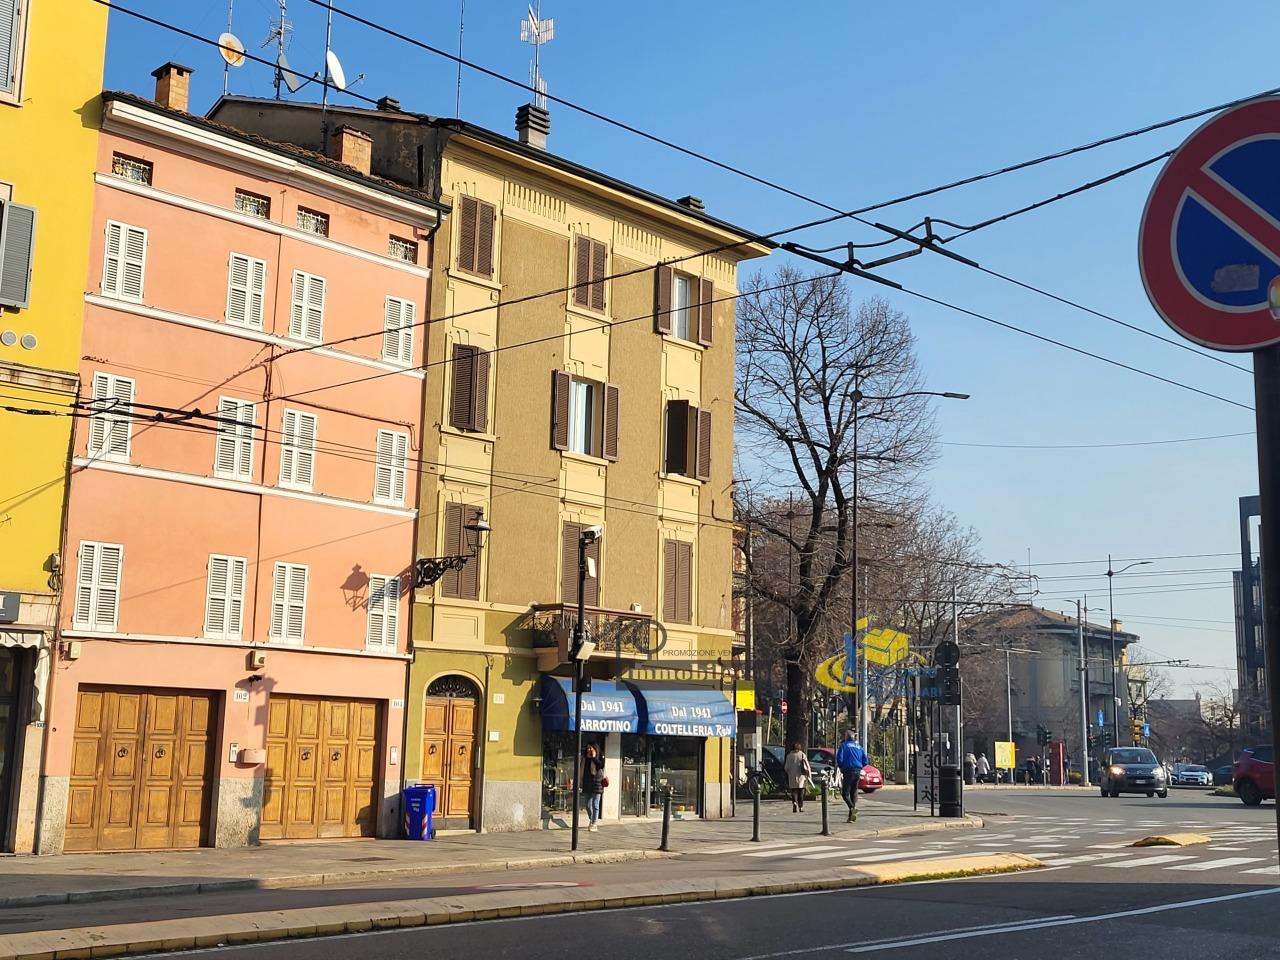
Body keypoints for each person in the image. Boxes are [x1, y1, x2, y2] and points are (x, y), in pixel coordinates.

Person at [835, 730, 868, 822]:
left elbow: (839, 758)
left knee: (845, 793)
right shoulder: (859, 747)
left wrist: (842, 767)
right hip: (858, 771)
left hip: (848, 770)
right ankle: (851, 817)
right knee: (853, 793)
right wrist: (859, 766)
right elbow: (865, 761)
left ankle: (852, 808)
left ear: (846, 737)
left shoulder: (844, 746)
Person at [580, 743, 605, 831]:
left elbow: (601, 766)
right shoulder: (585, 758)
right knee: (587, 804)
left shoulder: (599, 756)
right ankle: (592, 819)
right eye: (587, 748)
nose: (589, 750)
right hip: (587, 783)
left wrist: (594, 758)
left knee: (595, 804)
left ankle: (594, 823)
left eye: (590, 748)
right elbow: (582, 770)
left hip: (597, 782)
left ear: (595, 748)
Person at [784, 743, 812, 812]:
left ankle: (794, 802)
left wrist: (788, 772)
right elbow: (807, 766)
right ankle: (801, 807)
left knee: (794, 791)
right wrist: (809, 775)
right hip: (801, 776)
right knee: (801, 792)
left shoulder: (789, 756)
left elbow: (786, 767)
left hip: (792, 776)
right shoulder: (802, 755)